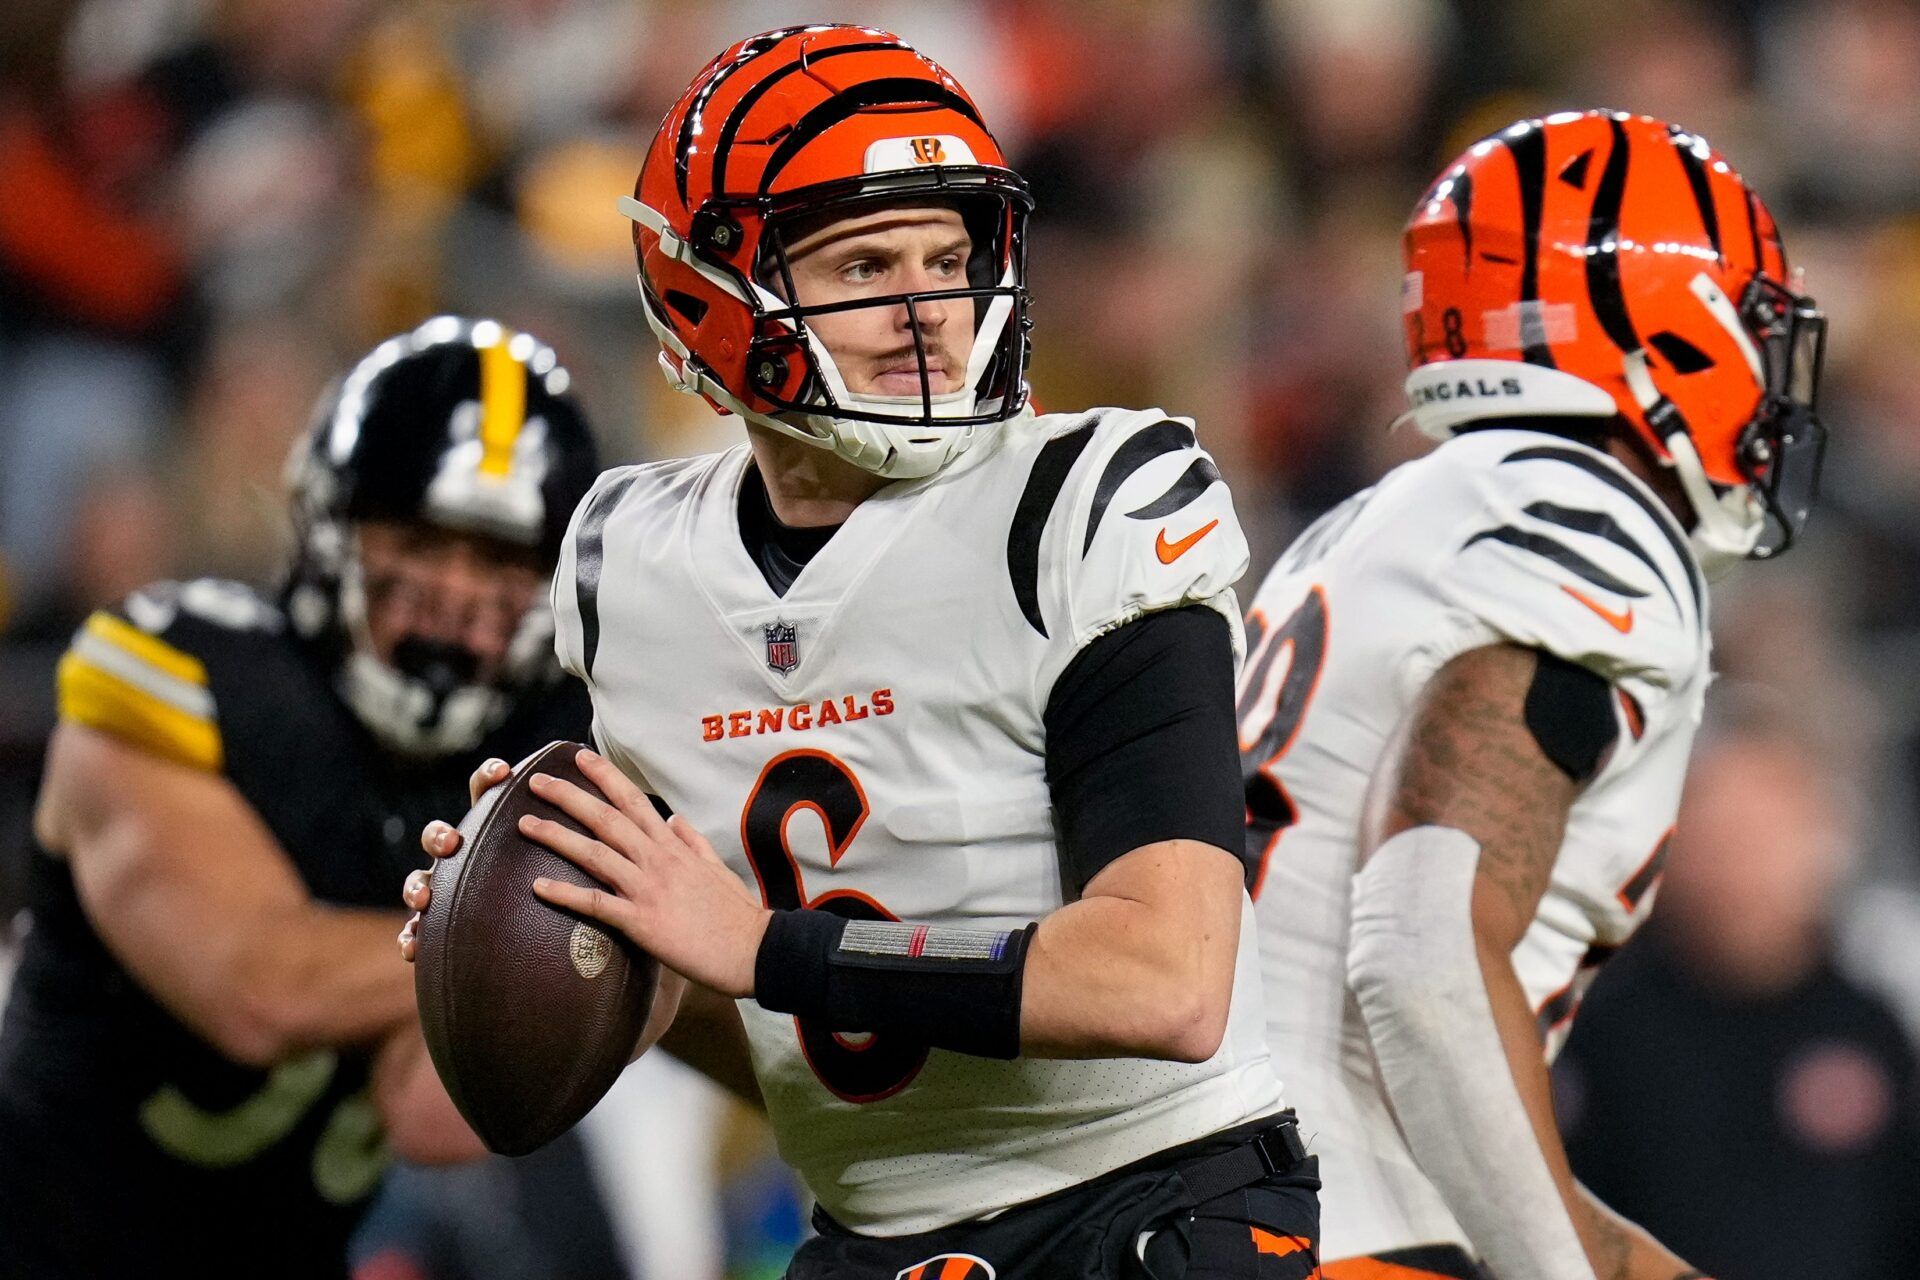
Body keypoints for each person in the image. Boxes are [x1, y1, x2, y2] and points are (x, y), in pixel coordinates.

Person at [404, 25, 1317, 1280]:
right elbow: (782, 1023)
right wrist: (589, 951)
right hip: (873, 1231)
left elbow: (1167, 977)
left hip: (1153, 1202)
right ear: (707, 293)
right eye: (865, 263)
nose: (928, 311)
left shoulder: (1084, 498)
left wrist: (761, 946)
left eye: (949, 258)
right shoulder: (630, 564)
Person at [1235, 111, 1826, 1279]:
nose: (1768, 381)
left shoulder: (1372, 522)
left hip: (1221, 1198)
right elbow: (1422, 944)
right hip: (1328, 1221)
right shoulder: (1589, 520)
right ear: (1674, 330)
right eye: (1752, 333)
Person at [0, 318, 603, 1279]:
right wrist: (599, 940)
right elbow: (258, 985)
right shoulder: (178, 670)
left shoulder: (546, 742)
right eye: (418, 540)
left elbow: (434, 1116)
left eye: (501, 561)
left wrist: (666, 975)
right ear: (330, 526)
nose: (455, 591)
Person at [1558, 692, 1920, 1279]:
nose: (1739, 861)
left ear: (1822, 843)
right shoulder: (1600, 1028)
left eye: (1765, 833)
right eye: (1717, 835)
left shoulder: (1872, 1024)